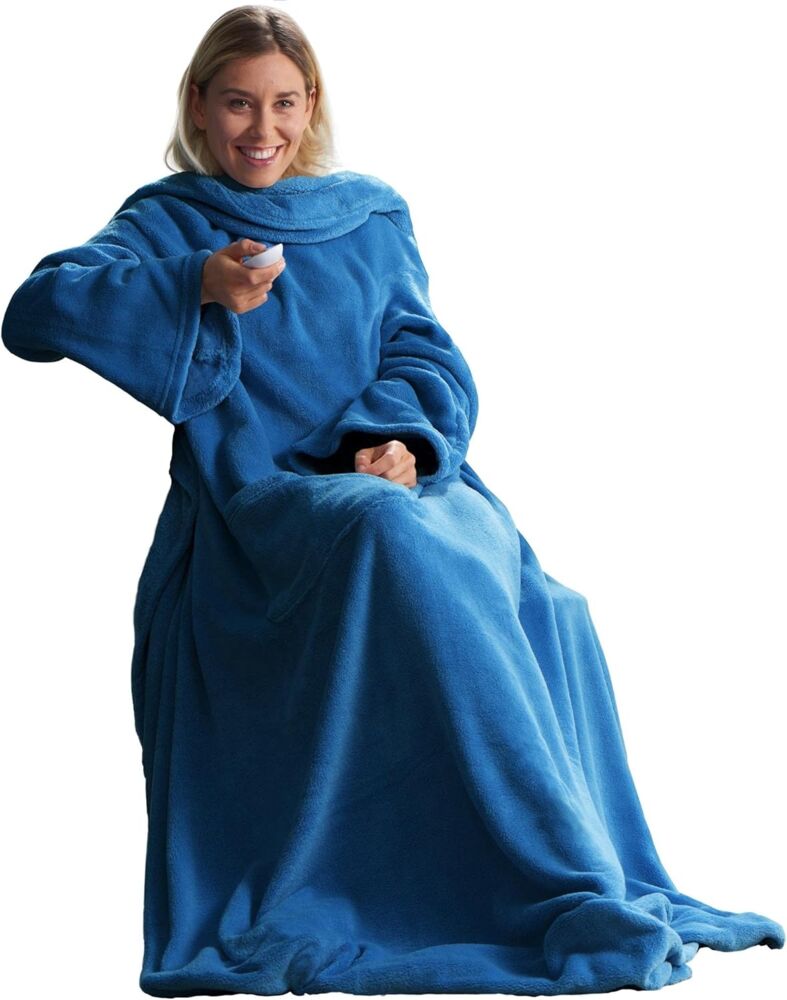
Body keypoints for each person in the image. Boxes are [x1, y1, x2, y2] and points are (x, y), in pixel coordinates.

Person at [1, 5, 783, 997]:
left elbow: (422, 349)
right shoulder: (169, 222)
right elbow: (34, 312)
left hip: (392, 471)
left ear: (311, 104)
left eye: (284, 103)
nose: (261, 128)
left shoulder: (370, 216)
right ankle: (536, 881)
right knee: (381, 536)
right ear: (197, 105)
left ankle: (563, 869)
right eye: (237, 103)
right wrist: (193, 283)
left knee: (550, 601)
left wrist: (400, 439)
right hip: (261, 503)